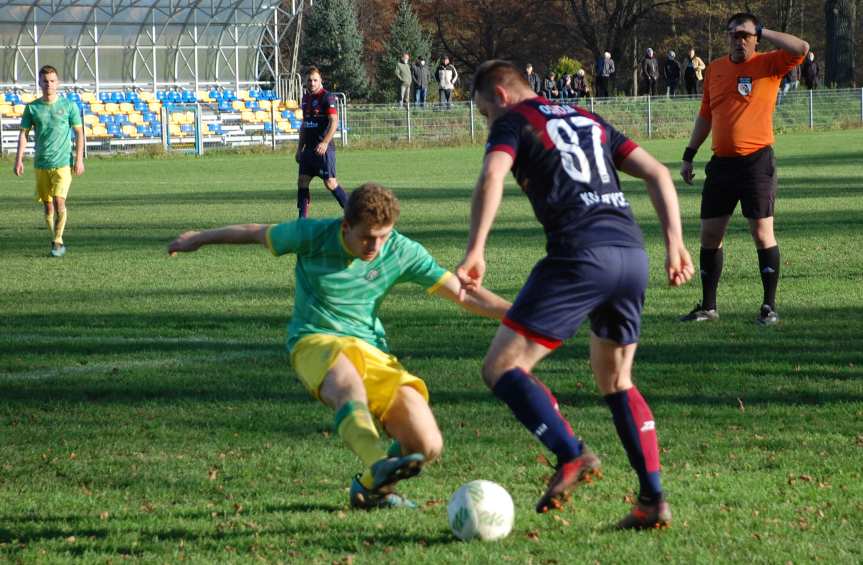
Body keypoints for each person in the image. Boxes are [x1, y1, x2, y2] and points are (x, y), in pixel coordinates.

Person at [168, 183, 511, 509]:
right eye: (367, 237)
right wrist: (198, 238)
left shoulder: (401, 250)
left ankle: (369, 488)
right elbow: (256, 232)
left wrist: (519, 317)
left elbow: (462, 292)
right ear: (346, 225)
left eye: (383, 237)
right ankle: (377, 462)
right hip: (314, 340)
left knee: (427, 445)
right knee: (348, 387)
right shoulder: (313, 234)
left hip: (371, 350)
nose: (375, 247)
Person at [459, 60, 694, 529]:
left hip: (579, 254)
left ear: (500, 97)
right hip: (631, 256)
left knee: (501, 367)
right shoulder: (587, 116)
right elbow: (658, 174)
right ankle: (652, 500)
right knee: (616, 380)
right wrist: (675, 245)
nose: (488, 121)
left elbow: (491, 176)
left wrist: (476, 249)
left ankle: (571, 454)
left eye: (484, 113)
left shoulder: (514, 121)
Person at [679, 13, 809, 325]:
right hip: (721, 165)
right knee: (710, 235)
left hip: (756, 163)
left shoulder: (770, 64)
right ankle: (708, 307)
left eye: (745, 35)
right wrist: (688, 154)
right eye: (733, 35)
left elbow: (801, 47)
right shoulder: (715, 69)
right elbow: (706, 115)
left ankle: (768, 307)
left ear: (755, 38)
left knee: (762, 233)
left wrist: (762, 29)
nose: (738, 41)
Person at [13, 65, 85, 258]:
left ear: (58, 82)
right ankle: (53, 236)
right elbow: (24, 134)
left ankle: (58, 240)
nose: (49, 85)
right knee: (48, 206)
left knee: (59, 200)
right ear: (40, 82)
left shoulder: (68, 106)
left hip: (63, 163)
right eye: (45, 81)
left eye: (52, 81)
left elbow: (79, 133)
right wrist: (18, 159)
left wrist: (79, 159)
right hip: (41, 164)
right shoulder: (32, 108)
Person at [295, 67, 346, 218]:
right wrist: (299, 148)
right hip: (309, 150)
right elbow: (304, 124)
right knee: (302, 181)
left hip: (324, 150)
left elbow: (334, 121)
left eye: (315, 80)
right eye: (309, 80)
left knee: (330, 182)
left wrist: (324, 142)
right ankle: (302, 219)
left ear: (320, 81)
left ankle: (352, 212)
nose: (312, 83)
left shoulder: (327, 97)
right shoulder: (305, 98)